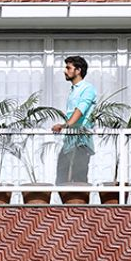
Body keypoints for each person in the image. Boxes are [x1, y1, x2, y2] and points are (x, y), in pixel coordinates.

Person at [52, 55, 96, 186]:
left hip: (81, 142)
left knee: (79, 179)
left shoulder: (87, 89)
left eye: (68, 68)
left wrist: (64, 125)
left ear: (78, 70)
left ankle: (80, 207)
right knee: (61, 178)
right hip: (69, 142)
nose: (65, 71)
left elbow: (80, 110)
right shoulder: (73, 90)